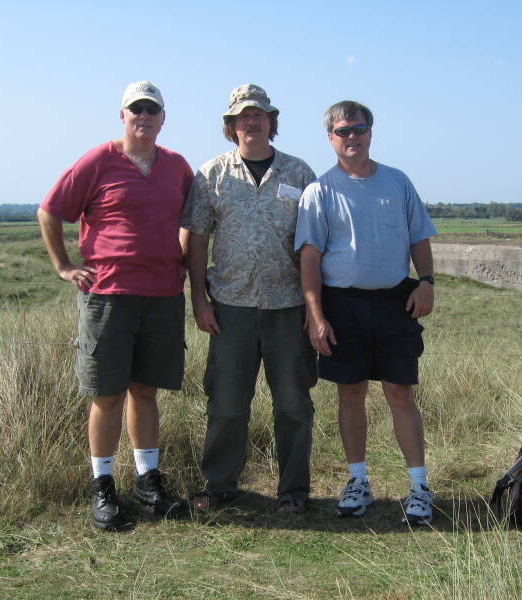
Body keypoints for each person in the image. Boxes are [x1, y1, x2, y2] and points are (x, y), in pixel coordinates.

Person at [38, 81, 192, 530]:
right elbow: (50, 210)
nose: (143, 117)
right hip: (108, 294)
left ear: (163, 118)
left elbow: (191, 219)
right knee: (107, 394)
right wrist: (64, 265)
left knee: (145, 390)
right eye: (135, 110)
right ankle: (102, 487)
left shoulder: (177, 167)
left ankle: (148, 481)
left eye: (152, 110)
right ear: (121, 116)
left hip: (161, 295)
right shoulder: (98, 161)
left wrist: (179, 260)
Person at [295, 100, 438, 525]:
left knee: (400, 393)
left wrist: (427, 282)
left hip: (396, 301)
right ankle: (358, 481)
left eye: (358, 129)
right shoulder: (320, 191)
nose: (351, 137)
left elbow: (419, 237)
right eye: (342, 131)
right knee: (350, 392)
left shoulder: (397, 182)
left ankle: (419, 487)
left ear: (370, 132)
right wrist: (315, 314)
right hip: (343, 306)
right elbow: (309, 257)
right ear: (330, 138)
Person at [181, 84, 317, 514]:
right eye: (243, 116)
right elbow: (196, 239)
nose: (252, 122)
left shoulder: (299, 174)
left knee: (294, 406)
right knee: (226, 405)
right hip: (230, 307)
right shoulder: (211, 175)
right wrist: (199, 301)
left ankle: (293, 493)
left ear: (271, 123)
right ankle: (220, 487)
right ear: (231, 125)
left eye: (260, 115)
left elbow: (314, 245)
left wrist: (316, 311)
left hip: (288, 308)